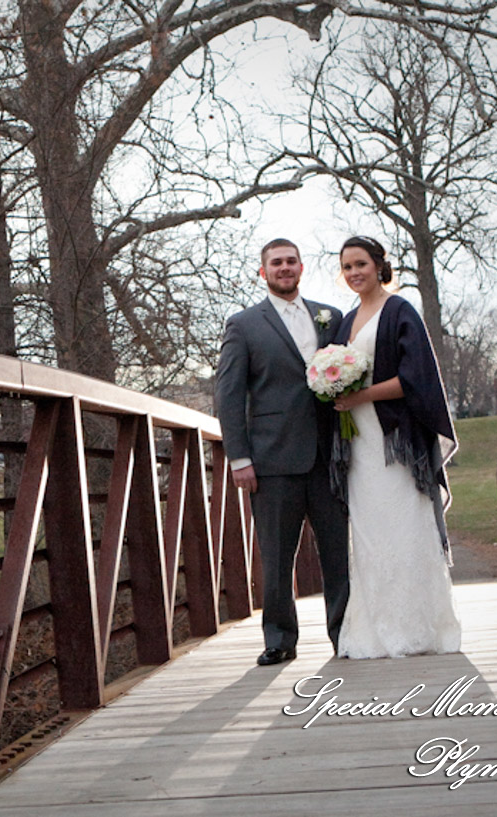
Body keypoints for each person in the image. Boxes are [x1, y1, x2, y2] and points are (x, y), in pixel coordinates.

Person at [214, 238, 351, 666]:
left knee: (337, 554)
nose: (284, 268)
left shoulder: (332, 318)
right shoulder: (244, 325)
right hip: (271, 461)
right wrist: (239, 458)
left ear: (302, 267)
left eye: (291, 261)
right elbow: (229, 395)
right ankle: (279, 639)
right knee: (275, 558)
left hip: (329, 455)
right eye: (276, 263)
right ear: (263, 272)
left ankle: (345, 635)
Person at [328, 235, 461, 659]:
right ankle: (373, 629)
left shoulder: (400, 311)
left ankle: (419, 628)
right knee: (368, 535)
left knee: (405, 526)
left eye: (361, 264)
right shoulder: (345, 321)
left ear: (379, 265)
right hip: (359, 445)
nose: (354, 273)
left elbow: (414, 379)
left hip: (396, 442)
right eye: (347, 267)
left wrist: (361, 397)